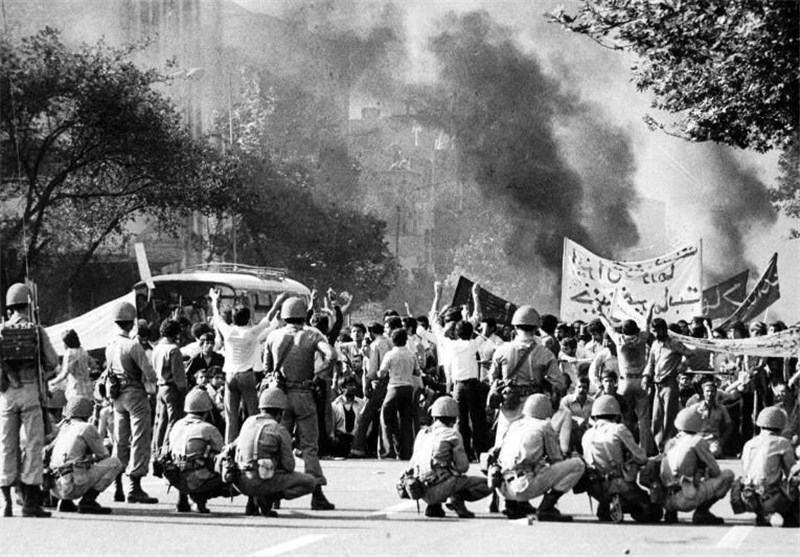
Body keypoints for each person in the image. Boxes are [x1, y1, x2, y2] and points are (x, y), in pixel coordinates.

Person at [263, 296, 336, 510]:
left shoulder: (273, 336)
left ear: (284, 315)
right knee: (309, 447)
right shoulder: (312, 335)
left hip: (279, 397)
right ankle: (317, 493)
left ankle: (274, 494)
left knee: (277, 445)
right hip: (304, 394)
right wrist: (317, 375)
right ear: (304, 315)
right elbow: (331, 355)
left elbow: (267, 370)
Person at [0, 283, 60, 517]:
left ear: (9, 307)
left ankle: (6, 502)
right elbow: (52, 361)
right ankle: (30, 503)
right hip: (31, 392)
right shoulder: (36, 330)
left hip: (6, 395)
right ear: (29, 304)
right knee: (34, 446)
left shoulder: (2, 329)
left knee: (7, 445)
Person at [209, 288, 286, 444]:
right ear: (248, 318)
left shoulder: (228, 332)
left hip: (230, 376)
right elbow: (268, 317)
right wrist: (278, 302)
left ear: (233, 318)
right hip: (247, 375)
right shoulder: (251, 333)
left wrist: (214, 300)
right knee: (253, 415)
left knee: (231, 416)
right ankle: (252, 443)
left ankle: (229, 448)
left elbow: (217, 317)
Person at [497, 394, 585, 521]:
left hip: (503, 487)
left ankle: (512, 505)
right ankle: (547, 508)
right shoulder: (544, 426)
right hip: (524, 487)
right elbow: (556, 458)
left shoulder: (515, 424)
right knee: (578, 464)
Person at [106, 299, 160, 504]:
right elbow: (150, 374)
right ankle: (134, 486)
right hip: (135, 395)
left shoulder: (110, 345)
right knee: (140, 439)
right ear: (132, 323)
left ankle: (117, 484)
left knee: (120, 440)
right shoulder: (133, 346)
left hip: (117, 396)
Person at [489, 306, 565, 448]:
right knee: (531, 444)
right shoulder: (545, 353)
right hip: (534, 405)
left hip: (509, 402)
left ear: (515, 327)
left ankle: (497, 465)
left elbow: (493, 378)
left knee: (503, 443)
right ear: (536, 328)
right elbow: (559, 383)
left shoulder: (502, 350)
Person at [234, 388, 316, 517]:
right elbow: (289, 465)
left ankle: (252, 499)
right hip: (262, 480)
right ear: (281, 413)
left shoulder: (248, 423)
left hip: (240, 482)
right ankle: (267, 498)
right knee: (310, 482)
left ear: (261, 408)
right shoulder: (279, 430)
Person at [580, 395, 662, 522]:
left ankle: (606, 504)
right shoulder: (618, 429)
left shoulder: (587, 434)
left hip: (595, 485)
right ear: (617, 415)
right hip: (619, 483)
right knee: (653, 512)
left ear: (595, 416)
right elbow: (641, 457)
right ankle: (622, 502)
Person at [407, 396, 492, 518]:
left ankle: (434, 507)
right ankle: (456, 499)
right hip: (441, 488)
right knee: (487, 484)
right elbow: (463, 467)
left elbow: (413, 464)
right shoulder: (452, 434)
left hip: (419, 489)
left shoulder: (422, 433)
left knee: (435, 471)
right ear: (454, 418)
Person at [47, 397, 123, 514]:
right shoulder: (86, 428)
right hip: (73, 486)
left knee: (74, 462)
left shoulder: (63, 428)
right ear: (88, 411)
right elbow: (103, 454)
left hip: (55, 487)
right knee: (114, 463)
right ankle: (88, 502)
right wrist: (91, 456)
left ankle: (64, 502)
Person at [660, 406, 735, 524]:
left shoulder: (671, 442)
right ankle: (702, 512)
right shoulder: (697, 441)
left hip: (666, 500)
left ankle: (670, 513)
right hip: (687, 498)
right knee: (727, 475)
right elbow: (715, 471)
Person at [598, 305, 656, 455]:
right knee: (643, 419)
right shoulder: (642, 338)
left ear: (623, 331)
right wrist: (649, 309)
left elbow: (608, 326)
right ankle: (644, 451)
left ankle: (628, 450)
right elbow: (647, 322)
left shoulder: (619, 339)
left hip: (624, 383)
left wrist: (600, 312)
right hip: (641, 381)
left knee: (626, 418)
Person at [165, 388, 232, 514]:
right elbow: (223, 452)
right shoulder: (208, 429)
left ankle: (183, 498)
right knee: (223, 464)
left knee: (182, 459)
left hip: (175, 477)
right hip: (197, 478)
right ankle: (199, 500)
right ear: (207, 411)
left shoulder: (176, 425)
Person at [731, 407, 798, 527]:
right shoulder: (782, 443)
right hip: (770, 497)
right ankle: (785, 514)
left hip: (746, 497)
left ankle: (763, 514)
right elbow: (791, 472)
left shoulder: (749, 443)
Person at [644, 317, 698, 452]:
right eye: (654, 331)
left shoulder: (674, 343)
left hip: (670, 383)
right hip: (657, 385)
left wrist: (683, 363)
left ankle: (669, 448)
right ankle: (659, 447)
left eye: (658, 330)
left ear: (664, 330)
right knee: (656, 419)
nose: (656, 334)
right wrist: (646, 377)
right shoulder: (655, 345)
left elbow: (691, 353)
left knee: (669, 418)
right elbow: (650, 363)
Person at [350, 321, 394, 458]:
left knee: (365, 416)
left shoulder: (375, 345)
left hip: (379, 383)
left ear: (370, 332)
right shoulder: (389, 342)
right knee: (386, 417)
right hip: (391, 382)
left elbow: (373, 370)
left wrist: (368, 382)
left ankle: (357, 449)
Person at [378, 329, 420, 460]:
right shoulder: (411, 354)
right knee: (406, 421)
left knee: (386, 418)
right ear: (405, 340)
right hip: (408, 388)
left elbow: (382, 373)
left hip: (394, 388)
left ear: (392, 340)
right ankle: (406, 452)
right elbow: (417, 372)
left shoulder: (390, 354)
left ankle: (388, 451)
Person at [152, 319, 189, 456]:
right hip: (172, 388)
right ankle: (166, 451)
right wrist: (184, 390)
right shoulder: (174, 350)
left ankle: (156, 450)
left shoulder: (156, 348)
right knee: (173, 421)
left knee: (161, 421)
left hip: (160, 387)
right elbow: (178, 375)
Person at [685, 376, 732, 457]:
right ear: (703, 393)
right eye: (707, 391)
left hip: (713, 441)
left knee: (715, 452)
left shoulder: (721, 408)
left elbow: (729, 426)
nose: (710, 394)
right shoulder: (696, 407)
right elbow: (685, 422)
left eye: (712, 391)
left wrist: (722, 441)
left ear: (716, 392)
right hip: (698, 440)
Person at [49, 329, 94, 402]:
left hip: (76, 392)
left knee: (74, 412)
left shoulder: (69, 353)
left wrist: (51, 382)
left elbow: (64, 374)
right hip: (88, 391)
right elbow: (93, 365)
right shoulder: (83, 351)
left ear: (67, 342)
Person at [330, 376, 365, 457]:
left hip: (357, 438)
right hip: (341, 438)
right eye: (350, 385)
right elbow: (331, 425)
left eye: (354, 385)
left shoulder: (361, 404)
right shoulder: (334, 406)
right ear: (342, 388)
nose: (354, 387)